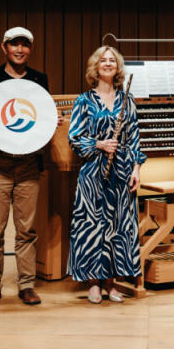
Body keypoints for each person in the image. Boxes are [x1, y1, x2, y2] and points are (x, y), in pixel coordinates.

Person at [0, 26, 63, 306]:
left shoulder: (38, 79)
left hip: (28, 167)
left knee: (27, 230)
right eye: (14, 44)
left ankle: (26, 284)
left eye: (24, 45)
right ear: (4, 48)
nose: (19, 49)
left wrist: (50, 121)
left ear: (30, 49)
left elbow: (41, 114)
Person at [67, 46, 146, 304]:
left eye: (113, 60)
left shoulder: (127, 99)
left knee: (117, 225)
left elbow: (134, 136)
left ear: (118, 67)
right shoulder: (84, 100)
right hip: (92, 173)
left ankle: (111, 282)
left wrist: (136, 168)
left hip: (121, 171)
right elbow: (75, 137)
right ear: (95, 66)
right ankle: (93, 283)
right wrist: (99, 144)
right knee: (93, 225)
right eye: (104, 60)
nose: (108, 64)